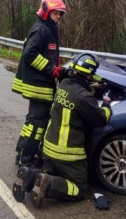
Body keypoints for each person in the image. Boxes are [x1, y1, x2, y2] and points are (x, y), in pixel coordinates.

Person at [12, 53, 113, 209]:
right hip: (68, 156)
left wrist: (91, 89)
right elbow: (101, 119)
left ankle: (30, 175)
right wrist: (106, 103)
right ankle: (48, 184)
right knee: (79, 188)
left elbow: (78, 95)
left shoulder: (64, 85)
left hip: (48, 150)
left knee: (50, 172)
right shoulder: (84, 97)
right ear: (89, 76)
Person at [11, 0, 68, 166]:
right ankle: (25, 159)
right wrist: (52, 70)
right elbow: (30, 55)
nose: (59, 16)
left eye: (61, 14)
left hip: (41, 84)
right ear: (46, 10)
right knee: (37, 123)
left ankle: (22, 153)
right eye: (56, 13)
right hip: (38, 85)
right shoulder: (41, 29)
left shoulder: (48, 28)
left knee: (33, 121)